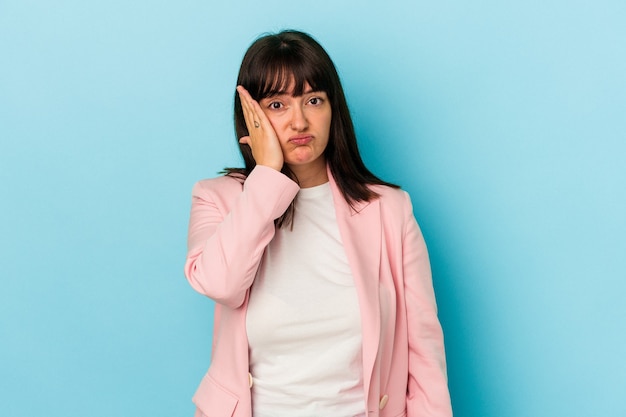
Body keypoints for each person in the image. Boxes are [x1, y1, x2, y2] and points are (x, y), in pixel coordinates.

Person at [184, 30, 452, 417]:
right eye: (277, 104)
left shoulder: (389, 210)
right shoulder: (219, 199)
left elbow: (423, 354)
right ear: (252, 117)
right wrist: (267, 176)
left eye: (313, 100)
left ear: (333, 108)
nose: (299, 121)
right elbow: (220, 284)